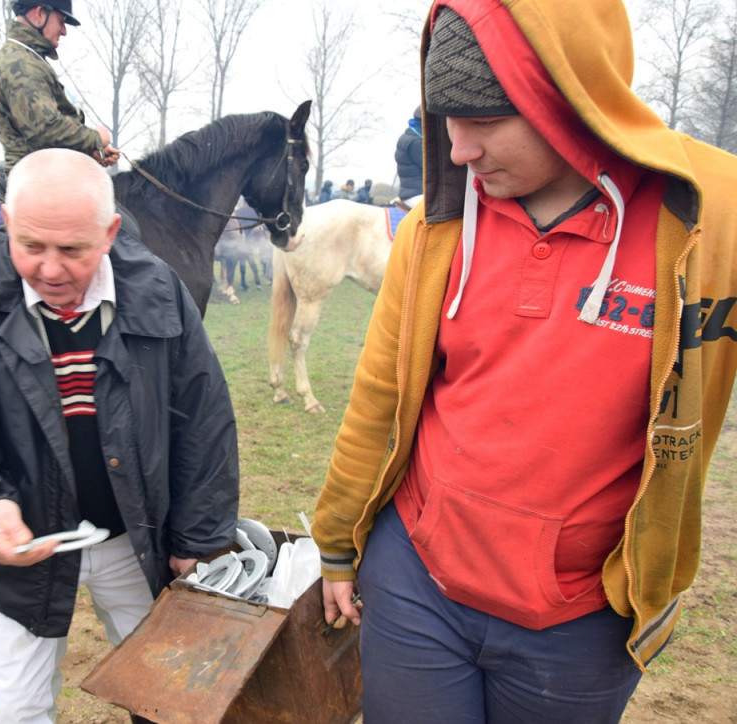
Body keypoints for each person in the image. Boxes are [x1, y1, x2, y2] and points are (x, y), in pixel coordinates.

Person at [312, 1, 737, 722]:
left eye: (483, 119)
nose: (457, 151)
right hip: (417, 591)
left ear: (570, 98)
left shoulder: (710, 217)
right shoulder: (434, 230)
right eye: (448, 118)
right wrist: (336, 545)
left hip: (581, 621)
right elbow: (378, 395)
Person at [0, 148, 240, 723]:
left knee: (173, 698)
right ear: (5, 222)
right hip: (25, 551)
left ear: (110, 233)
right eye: (31, 246)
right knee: (18, 711)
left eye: (73, 250)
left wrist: (199, 539)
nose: (50, 270)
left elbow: (202, 419)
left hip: (138, 539)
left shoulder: (158, 292)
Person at [0, 0, 120, 173]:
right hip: (38, 182)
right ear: (39, 14)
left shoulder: (28, 58)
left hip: (46, 176)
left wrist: (89, 151)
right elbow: (46, 130)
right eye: (61, 21)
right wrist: (95, 139)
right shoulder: (21, 63)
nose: (64, 31)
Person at [394, 106, 423, 207]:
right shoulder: (415, 142)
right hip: (417, 193)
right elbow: (431, 169)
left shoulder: (410, 136)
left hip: (412, 191)